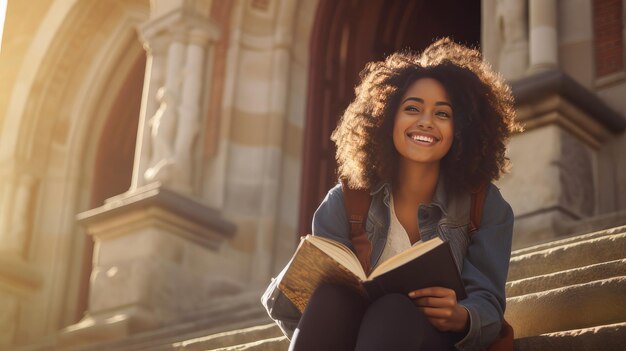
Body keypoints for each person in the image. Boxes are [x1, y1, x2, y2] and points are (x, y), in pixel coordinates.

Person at [262, 38, 520, 351]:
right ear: (387, 118)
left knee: (393, 311)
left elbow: (490, 305)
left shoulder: (486, 206)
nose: (425, 121)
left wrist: (461, 315)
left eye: (442, 114)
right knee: (331, 298)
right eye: (412, 109)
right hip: (357, 338)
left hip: (437, 342)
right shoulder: (345, 202)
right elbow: (312, 310)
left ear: (462, 128)